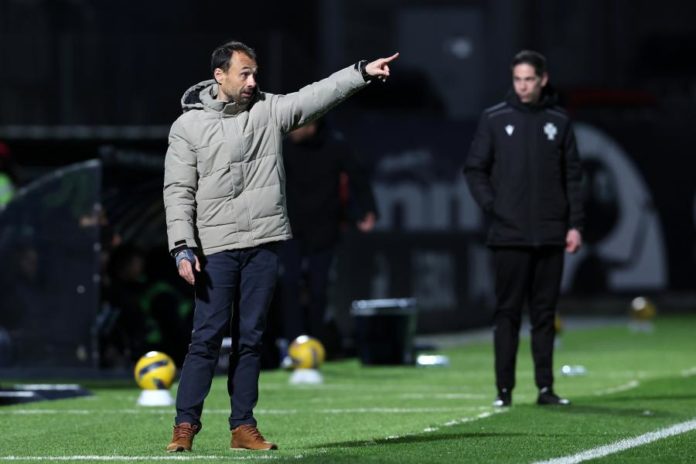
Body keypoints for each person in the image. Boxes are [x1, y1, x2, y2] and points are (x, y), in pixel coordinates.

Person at [163, 40, 398, 452]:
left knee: (252, 338)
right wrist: (182, 246)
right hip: (215, 247)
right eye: (245, 74)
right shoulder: (188, 127)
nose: (253, 81)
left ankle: (243, 427)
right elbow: (178, 190)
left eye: (255, 73)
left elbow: (316, 96)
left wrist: (360, 73)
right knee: (206, 338)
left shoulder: (269, 110)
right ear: (219, 76)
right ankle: (185, 425)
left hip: (264, 243)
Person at [463, 50, 584, 408]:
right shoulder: (495, 118)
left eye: (529, 79)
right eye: (518, 79)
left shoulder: (559, 121)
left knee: (545, 316)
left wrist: (575, 225)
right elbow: (474, 169)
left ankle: (545, 388)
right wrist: (493, 206)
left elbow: (573, 177)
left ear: (543, 79)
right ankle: (504, 390)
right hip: (509, 235)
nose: (523, 86)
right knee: (507, 314)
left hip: (550, 234)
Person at [279, 119, 378, 351]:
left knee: (318, 289)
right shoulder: (283, 147)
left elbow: (358, 177)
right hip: (290, 228)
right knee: (290, 284)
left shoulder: (336, 145)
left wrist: (368, 210)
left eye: (297, 125)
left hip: (324, 228)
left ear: (312, 125)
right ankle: (292, 344)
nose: (291, 130)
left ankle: (316, 344)